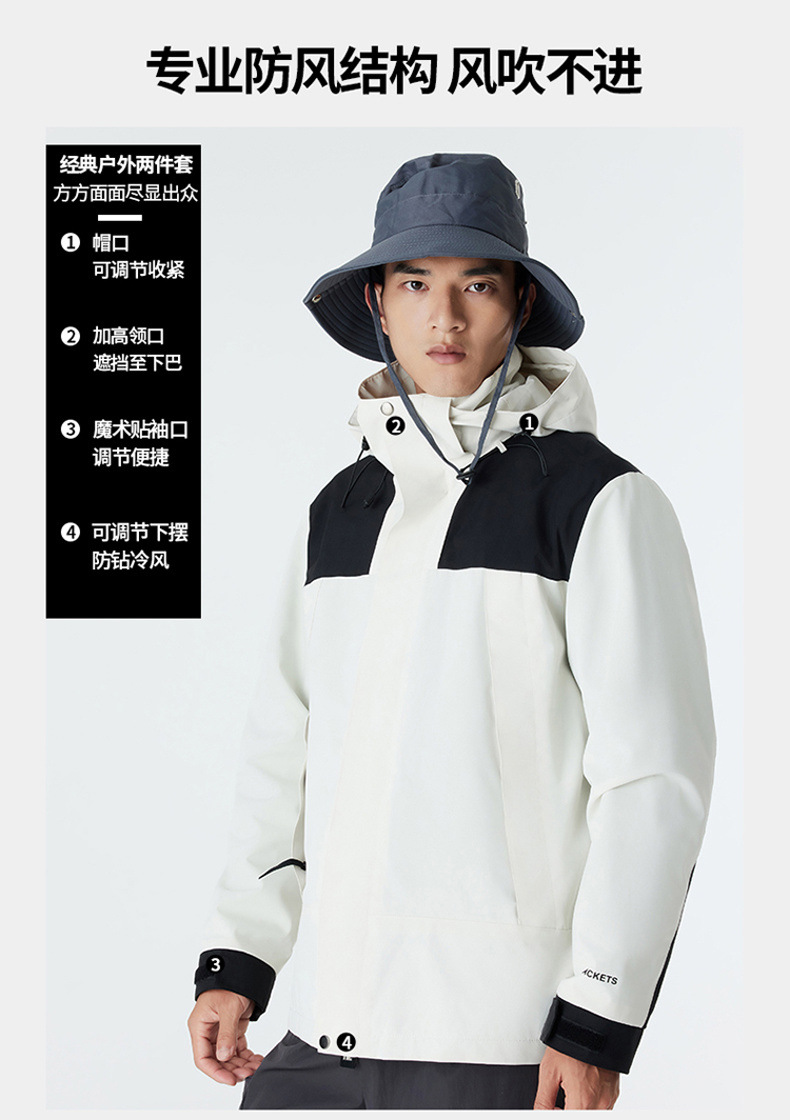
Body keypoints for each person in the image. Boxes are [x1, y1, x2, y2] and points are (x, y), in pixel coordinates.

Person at [187, 153, 716, 1110]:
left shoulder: (600, 500)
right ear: (378, 304)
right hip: (325, 1029)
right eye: (414, 283)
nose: (445, 318)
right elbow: (282, 747)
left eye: (476, 284)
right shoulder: (340, 510)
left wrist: (598, 1014)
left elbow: (653, 777)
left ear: (518, 303)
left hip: (501, 1040)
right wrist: (242, 954)